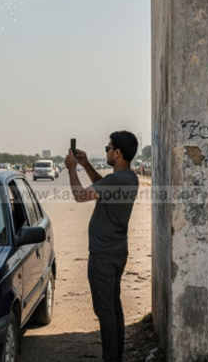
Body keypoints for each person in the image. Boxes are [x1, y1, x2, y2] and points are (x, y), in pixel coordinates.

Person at [65, 131, 139, 362]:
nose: (106, 151)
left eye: (108, 148)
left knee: (105, 311)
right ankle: (117, 355)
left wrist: (71, 169)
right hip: (117, 251)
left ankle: (111, 358)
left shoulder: (117, 180)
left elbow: (80, 195)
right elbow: (101, 185)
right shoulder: (129, 178)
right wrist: (86, 165)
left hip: (103, 255)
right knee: (114, 306)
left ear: (117, 153)